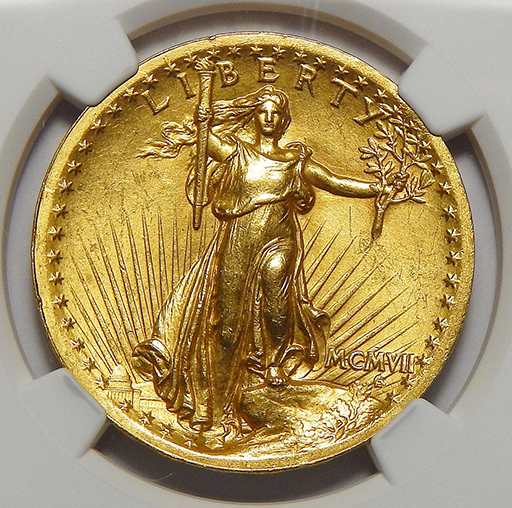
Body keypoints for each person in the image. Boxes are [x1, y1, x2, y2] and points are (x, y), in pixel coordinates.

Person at [133, 85, 380, 443]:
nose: (268, 117)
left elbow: (334, 182)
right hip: (238, 241)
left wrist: (376, 189)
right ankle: (214, 406)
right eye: (263, 111)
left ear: (283, 120)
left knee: (277, 305)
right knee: (227, 324)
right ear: (254, 116)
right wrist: (203, 122)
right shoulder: (238, 152)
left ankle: (274, 364)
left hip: (279, 240)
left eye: (275, 113)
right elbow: (207, 142)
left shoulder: (295, 161)